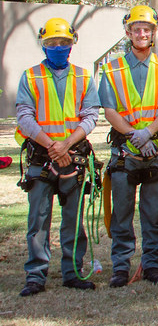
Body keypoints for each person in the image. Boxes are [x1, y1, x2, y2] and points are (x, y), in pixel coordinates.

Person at [16, 18, 101, 296]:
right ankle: (35, 275)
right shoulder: (30, 76)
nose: (58, 47)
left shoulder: (84, 76)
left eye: (63, 43)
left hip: (72, 156)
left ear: (72, 44)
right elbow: (24, 117)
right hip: (42, 157)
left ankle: (73, 272)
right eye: (52, 43)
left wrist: (66, 144)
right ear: (43, 45)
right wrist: (52, 145)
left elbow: (90, 116)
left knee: (74, 219)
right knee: (38, 219)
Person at [98, 5, 158, 287]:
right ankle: (121, 268)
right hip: (125, 152)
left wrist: (148, 133)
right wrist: (135, 136)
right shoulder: (112, 69)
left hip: (156, 151)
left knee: (153, 215)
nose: (141, 33)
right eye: (136, 29)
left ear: (153, 32)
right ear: (128, 32)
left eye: (146, 29)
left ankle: (152, 266)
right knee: (122, 215)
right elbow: (110, 111)